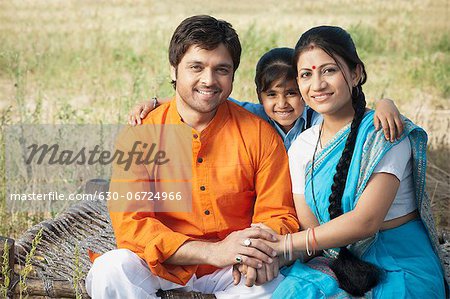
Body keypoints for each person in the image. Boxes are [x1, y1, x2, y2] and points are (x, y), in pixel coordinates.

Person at [85, 15, 300, 299]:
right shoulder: (142, 134)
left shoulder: (259, 134)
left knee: (275, 287)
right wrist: (213, 251)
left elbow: (277, 213)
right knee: (109, 270)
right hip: (163, 265)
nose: (209, 80)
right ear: (174, 70)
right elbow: (132, 224)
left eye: (221, 69)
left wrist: (254, 251)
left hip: (233, 270)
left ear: (233, 74)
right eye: (196, 67)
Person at [262, 25, 446, 298]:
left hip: (399, 262)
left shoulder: (385, 132)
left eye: (329, 70)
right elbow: (312, 230)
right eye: (306, 75)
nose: (317, 84)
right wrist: (264, 247)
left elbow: (365, 222)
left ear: (356, 73)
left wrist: (285, 244)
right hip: (338, 262)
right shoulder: (302, 147)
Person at [129, 48, 404, 151]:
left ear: (305, 91)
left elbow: (353, 113)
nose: (282, 104)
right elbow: (209, 98)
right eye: (271, 94)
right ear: (260, 96)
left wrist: (385, 103)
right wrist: (157, 102)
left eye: (292, 93)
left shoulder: (318, 119)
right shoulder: (256, 115)